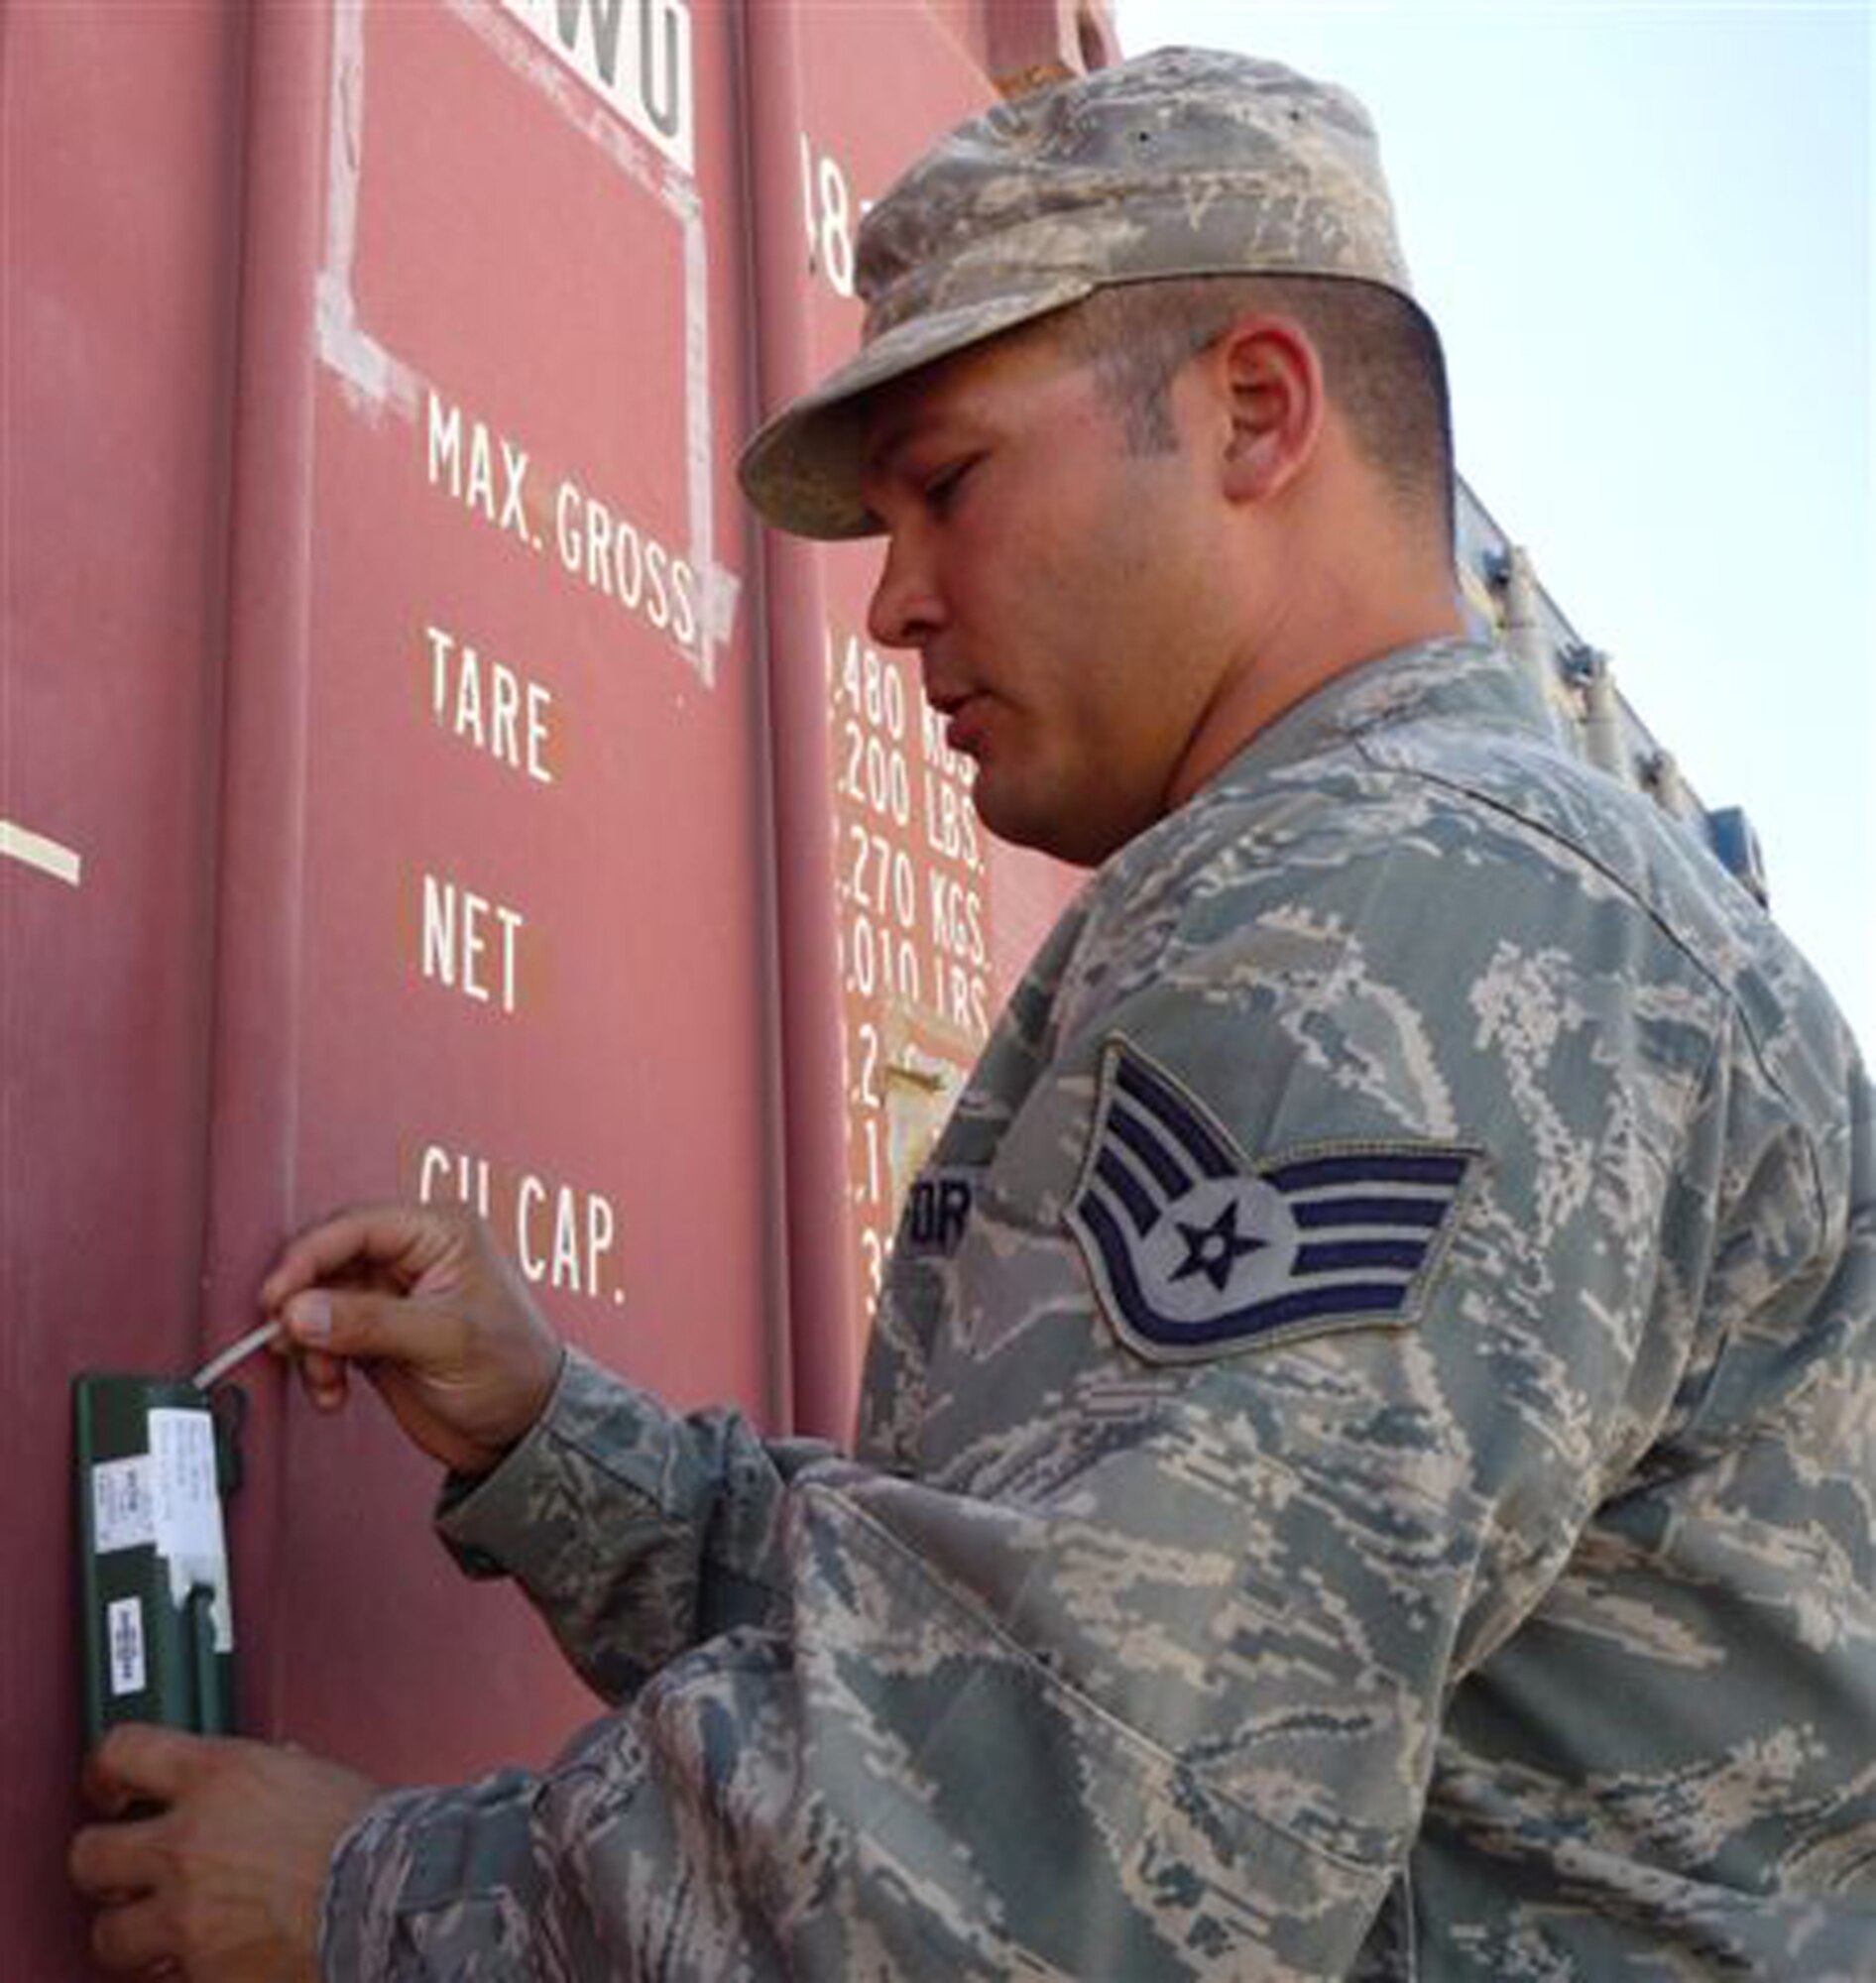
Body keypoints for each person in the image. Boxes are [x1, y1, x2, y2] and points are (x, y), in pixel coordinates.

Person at [69, 47, 1874, 1980]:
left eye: (947, 485)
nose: (888, 605)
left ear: (1255, 411)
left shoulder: (1377, 917)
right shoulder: (1446, 884)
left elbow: (1038, 1870)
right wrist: (543, 1437)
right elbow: (1025, 1626)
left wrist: (361, 1900)